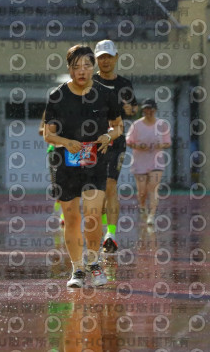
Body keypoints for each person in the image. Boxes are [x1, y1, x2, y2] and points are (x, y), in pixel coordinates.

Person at [43, 44, 123, 288]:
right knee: (71, 217)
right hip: (65, 163)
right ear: (69, 68)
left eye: (87, 65)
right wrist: (67, 142)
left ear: (93, 67)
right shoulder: (57, 96)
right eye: (76, 66)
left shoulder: (106, 94)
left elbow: (118, 126)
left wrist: (108, 136)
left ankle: (94, 262)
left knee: (92, 216)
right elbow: (48, 134)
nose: (82, 71)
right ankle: (77, 269)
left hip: (95, 162)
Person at [92, 39, 138, 254]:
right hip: (93, 142)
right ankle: (100, 230)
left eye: (109, 57)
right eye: (101, 57)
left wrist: (130, 110)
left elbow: (134, 108)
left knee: (110, 185)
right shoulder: (90, 82)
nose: (105, 61)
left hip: (116, 141)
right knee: (96, 190)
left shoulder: (124, 84)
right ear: (96, 60)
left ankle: (111, 235)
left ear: (116, 58)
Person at [125, 99, 171, 226]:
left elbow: (167, 142)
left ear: (155, 110)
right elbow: (128, 141)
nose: (148, 112)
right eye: (146, 110)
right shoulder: (136, 125)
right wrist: (139, 146)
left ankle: (152, 214)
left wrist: (160, 145)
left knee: (153, 187)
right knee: (142, 191)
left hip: (156, 162)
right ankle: (142, 206)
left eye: (151, 109)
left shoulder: (162, 125)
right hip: (140, 162)